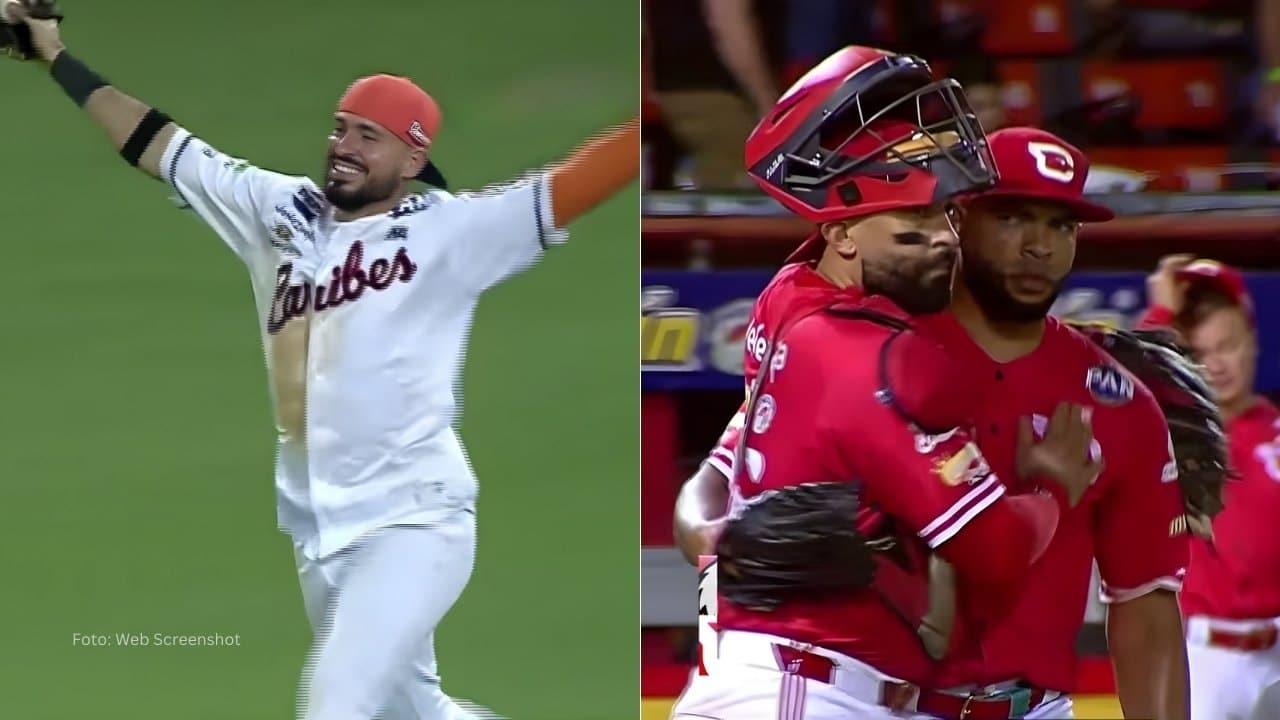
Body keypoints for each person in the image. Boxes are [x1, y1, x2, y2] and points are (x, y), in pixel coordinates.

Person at [2, 5, 637, 720]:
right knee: (413, 713)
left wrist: (656, 120)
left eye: (370, 136)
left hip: (413, 523)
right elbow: (158, 143)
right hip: (316, 530)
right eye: (340, 127)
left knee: (334, 705)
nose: (344, 145)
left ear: (413, 160)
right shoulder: (275, 209)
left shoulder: (453, 232)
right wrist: (55, 56)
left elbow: (578, 183)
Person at [676, 126, 1190, 719]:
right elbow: (723, 470)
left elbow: (1146, 604)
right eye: (1012, 217)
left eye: (1061, 225)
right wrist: (715, 537)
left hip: (1032, 707)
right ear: (957, 217)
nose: (1039, 246)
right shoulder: (872, 344)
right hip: (872, 698)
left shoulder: (1117, 403)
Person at [1139, 257, 1280, 720]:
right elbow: (1129, 389)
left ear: (1253, 344)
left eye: (1228, 345)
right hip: (1207, 660)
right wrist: (1160, 316)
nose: (1216, 364)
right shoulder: (1176, 434)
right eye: (1200, 353)